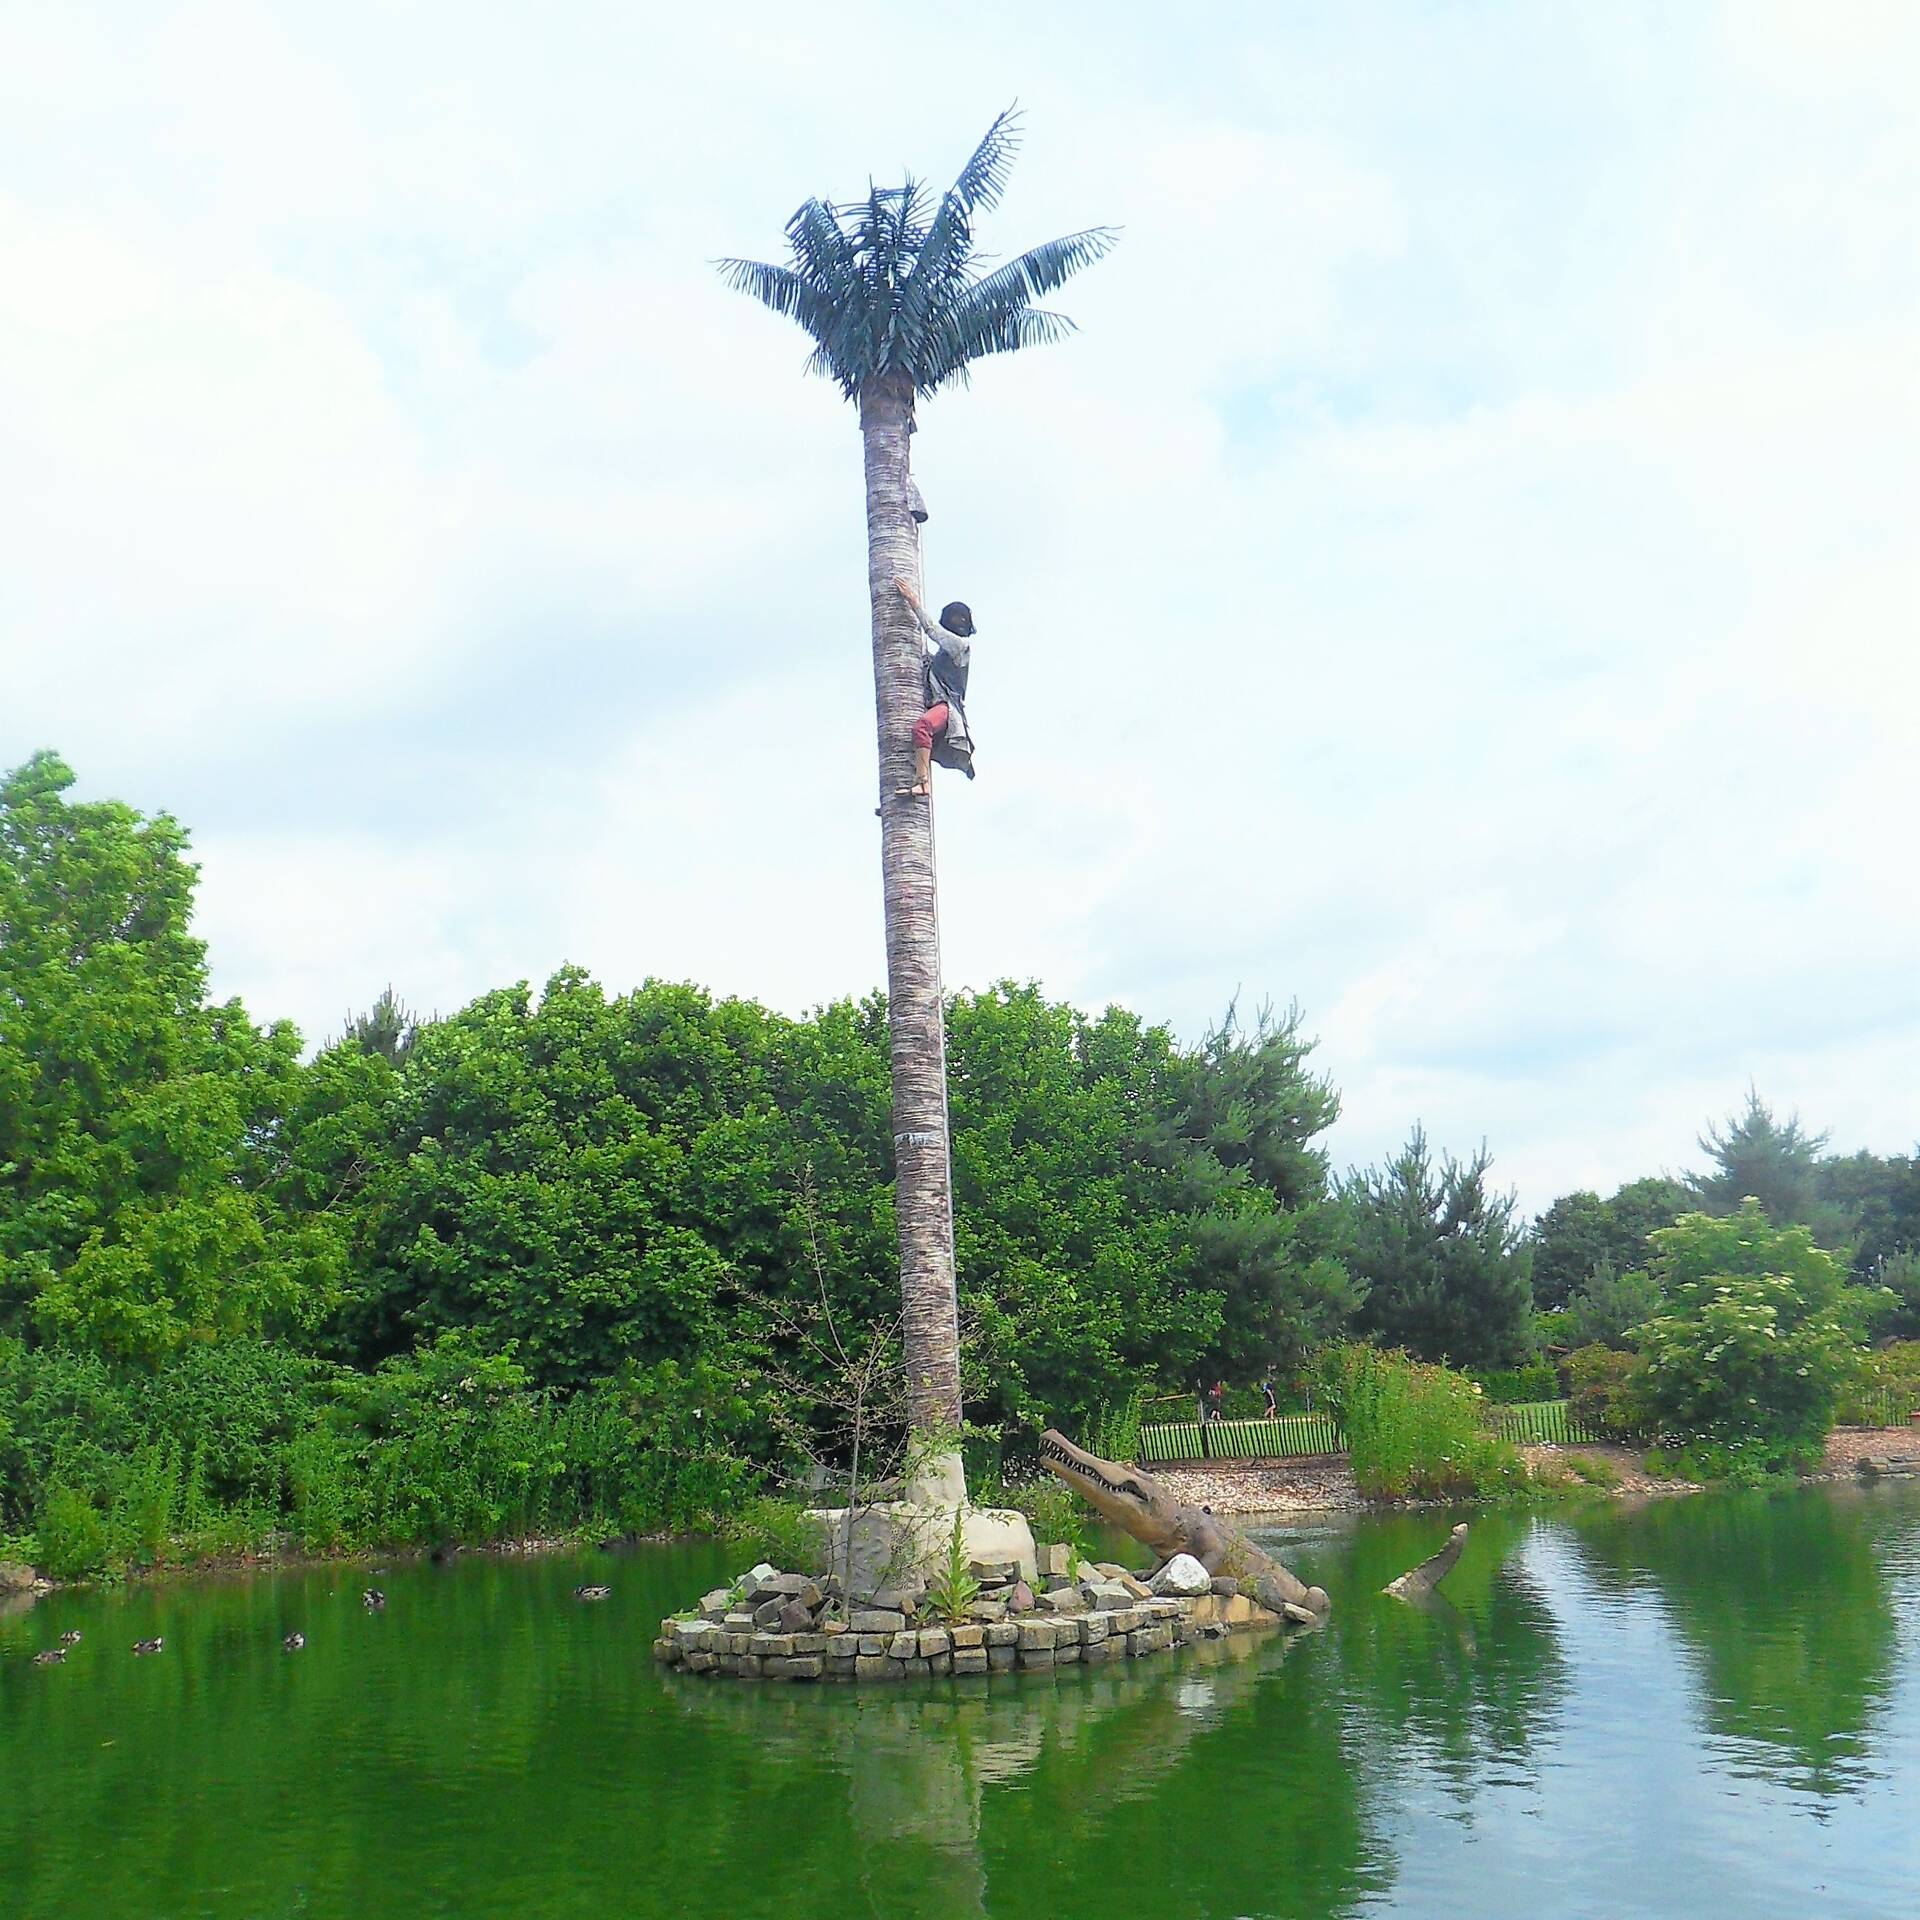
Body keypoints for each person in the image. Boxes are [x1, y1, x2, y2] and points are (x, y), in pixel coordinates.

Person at [892, 577, 977, 796]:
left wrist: (912, 600)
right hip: (937, 705)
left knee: (922, 727)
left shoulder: (961, 646)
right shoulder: (943, 654)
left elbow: (931, 629)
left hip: (947, 707)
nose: (958, 622)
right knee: (917, 736)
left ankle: (922, 783)